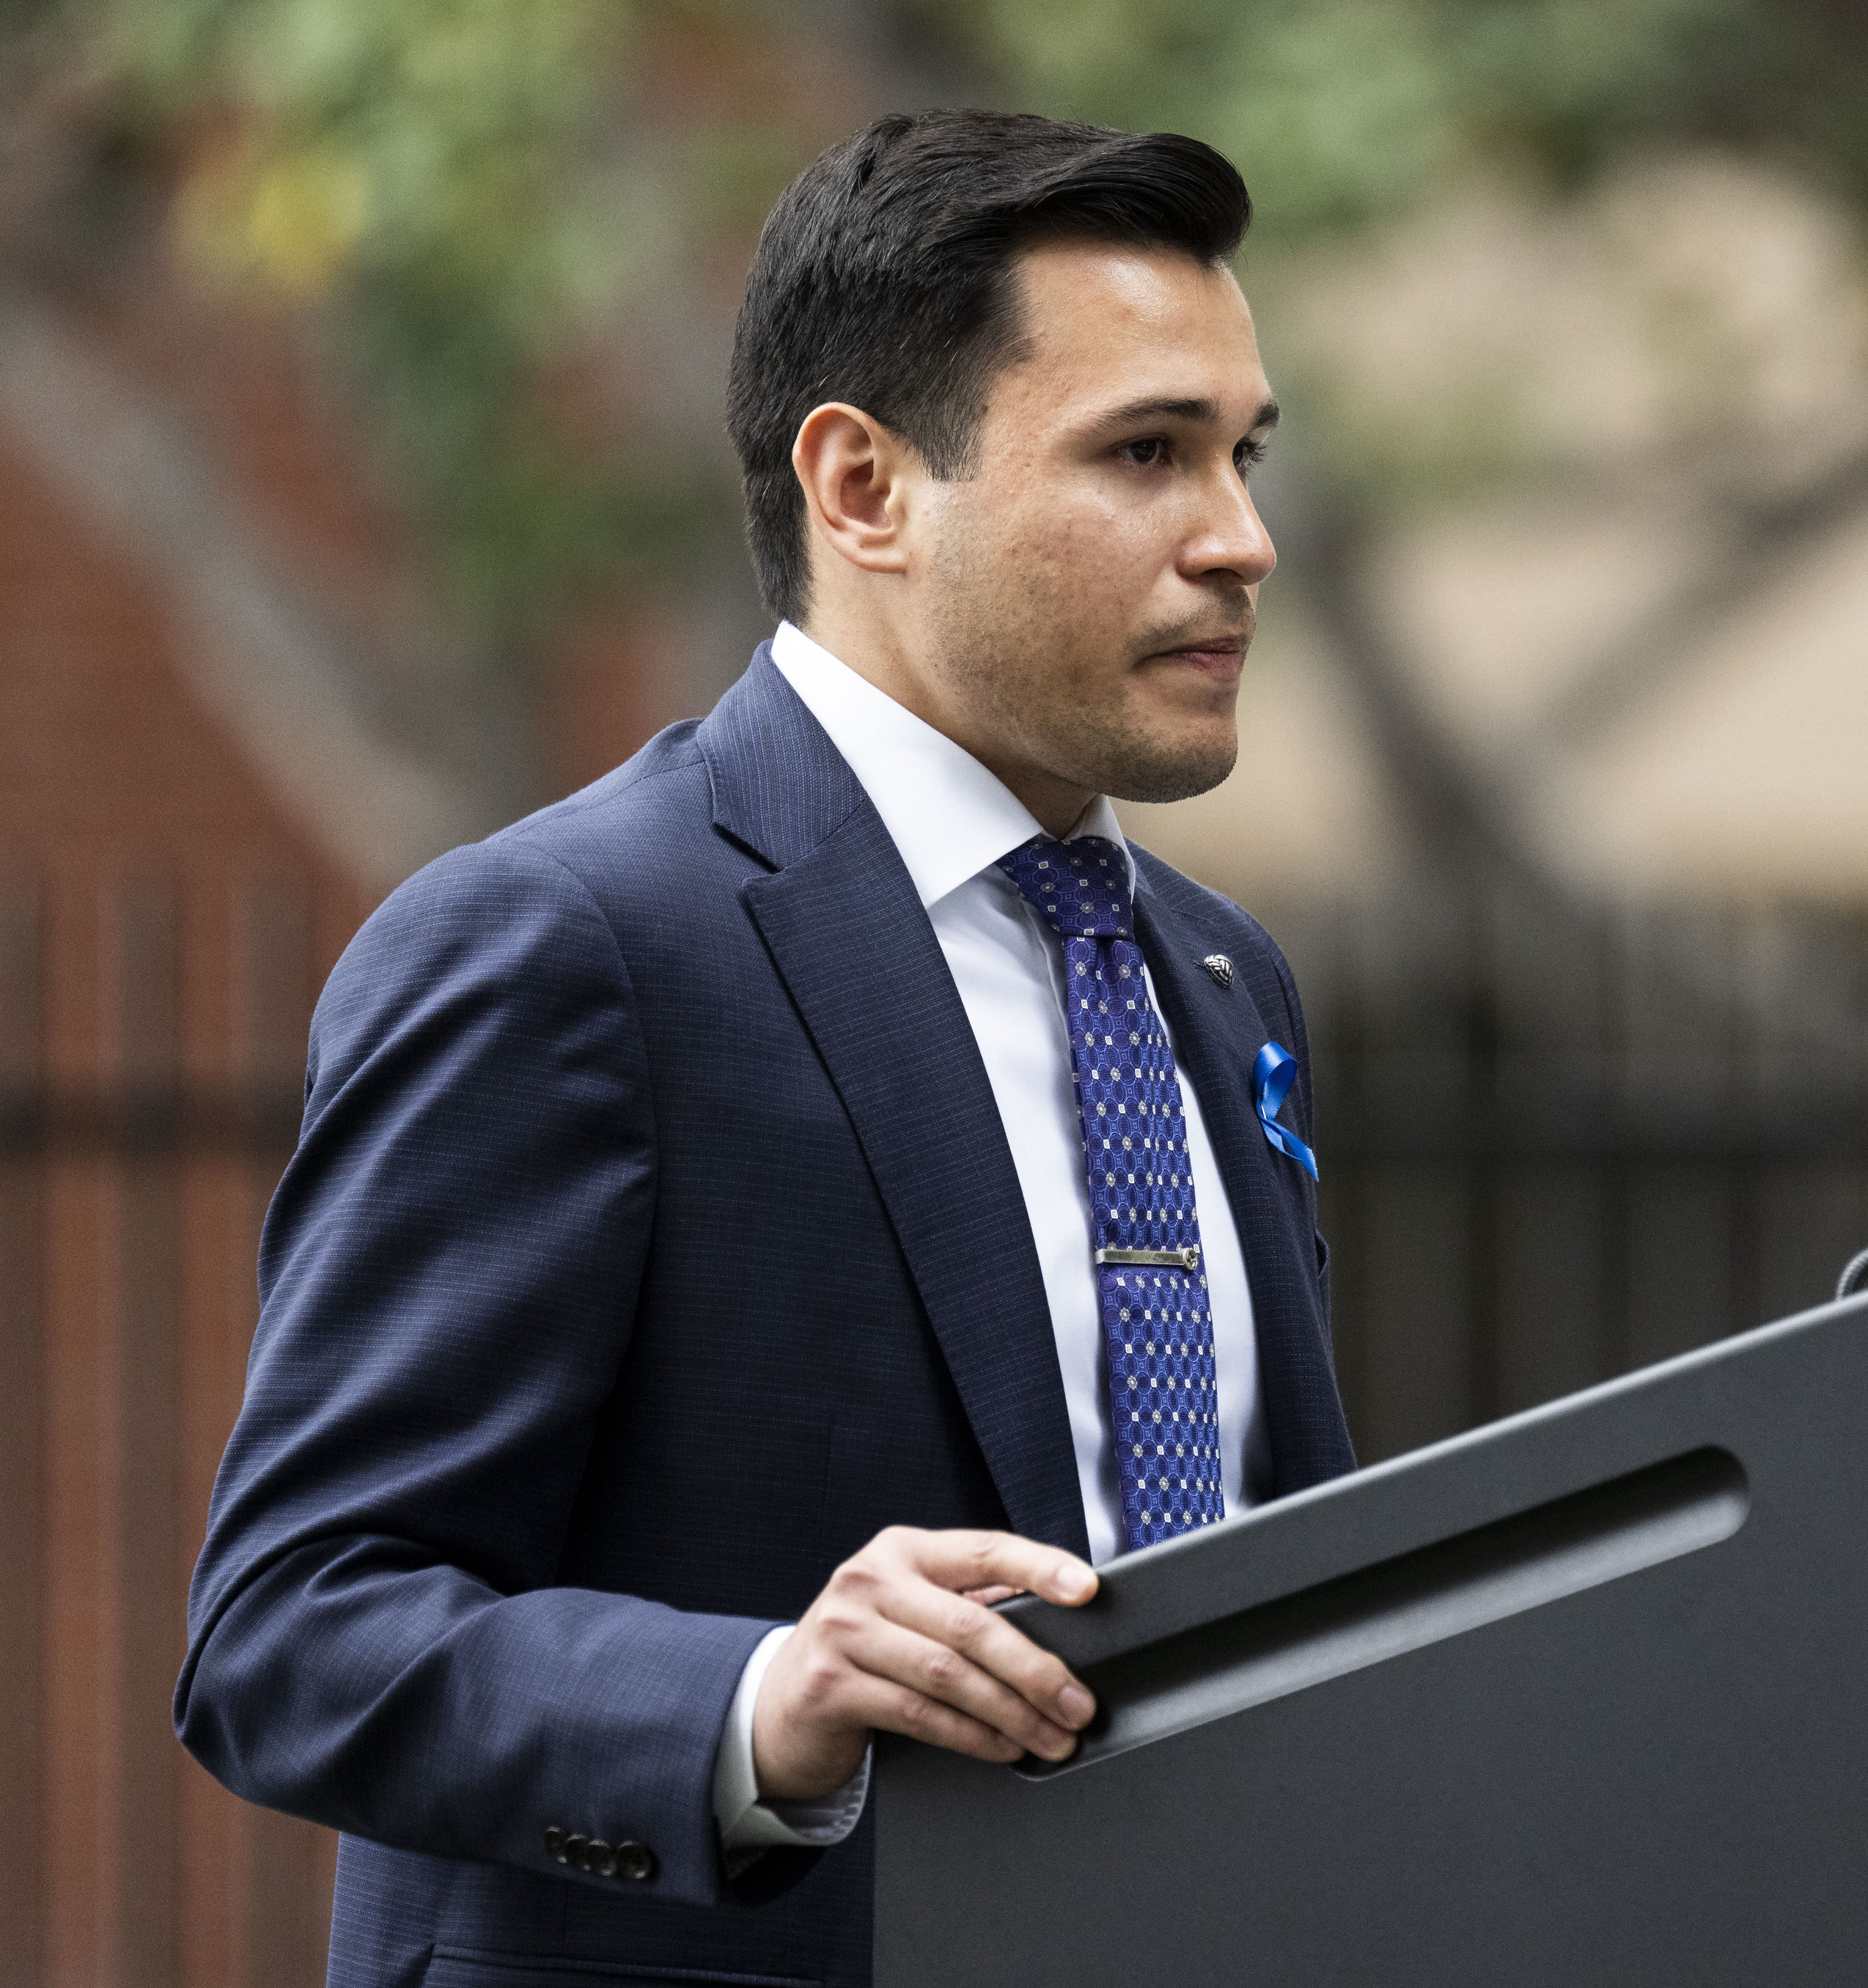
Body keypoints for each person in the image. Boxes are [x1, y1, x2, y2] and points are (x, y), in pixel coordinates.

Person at [176, 110, 1354, 1988]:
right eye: (1145, 452)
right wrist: (759, 1699)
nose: (1240, 539)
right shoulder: (567, 943)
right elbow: (294, 1631)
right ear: (863, 486)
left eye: (1242, 452)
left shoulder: (1220, 977)